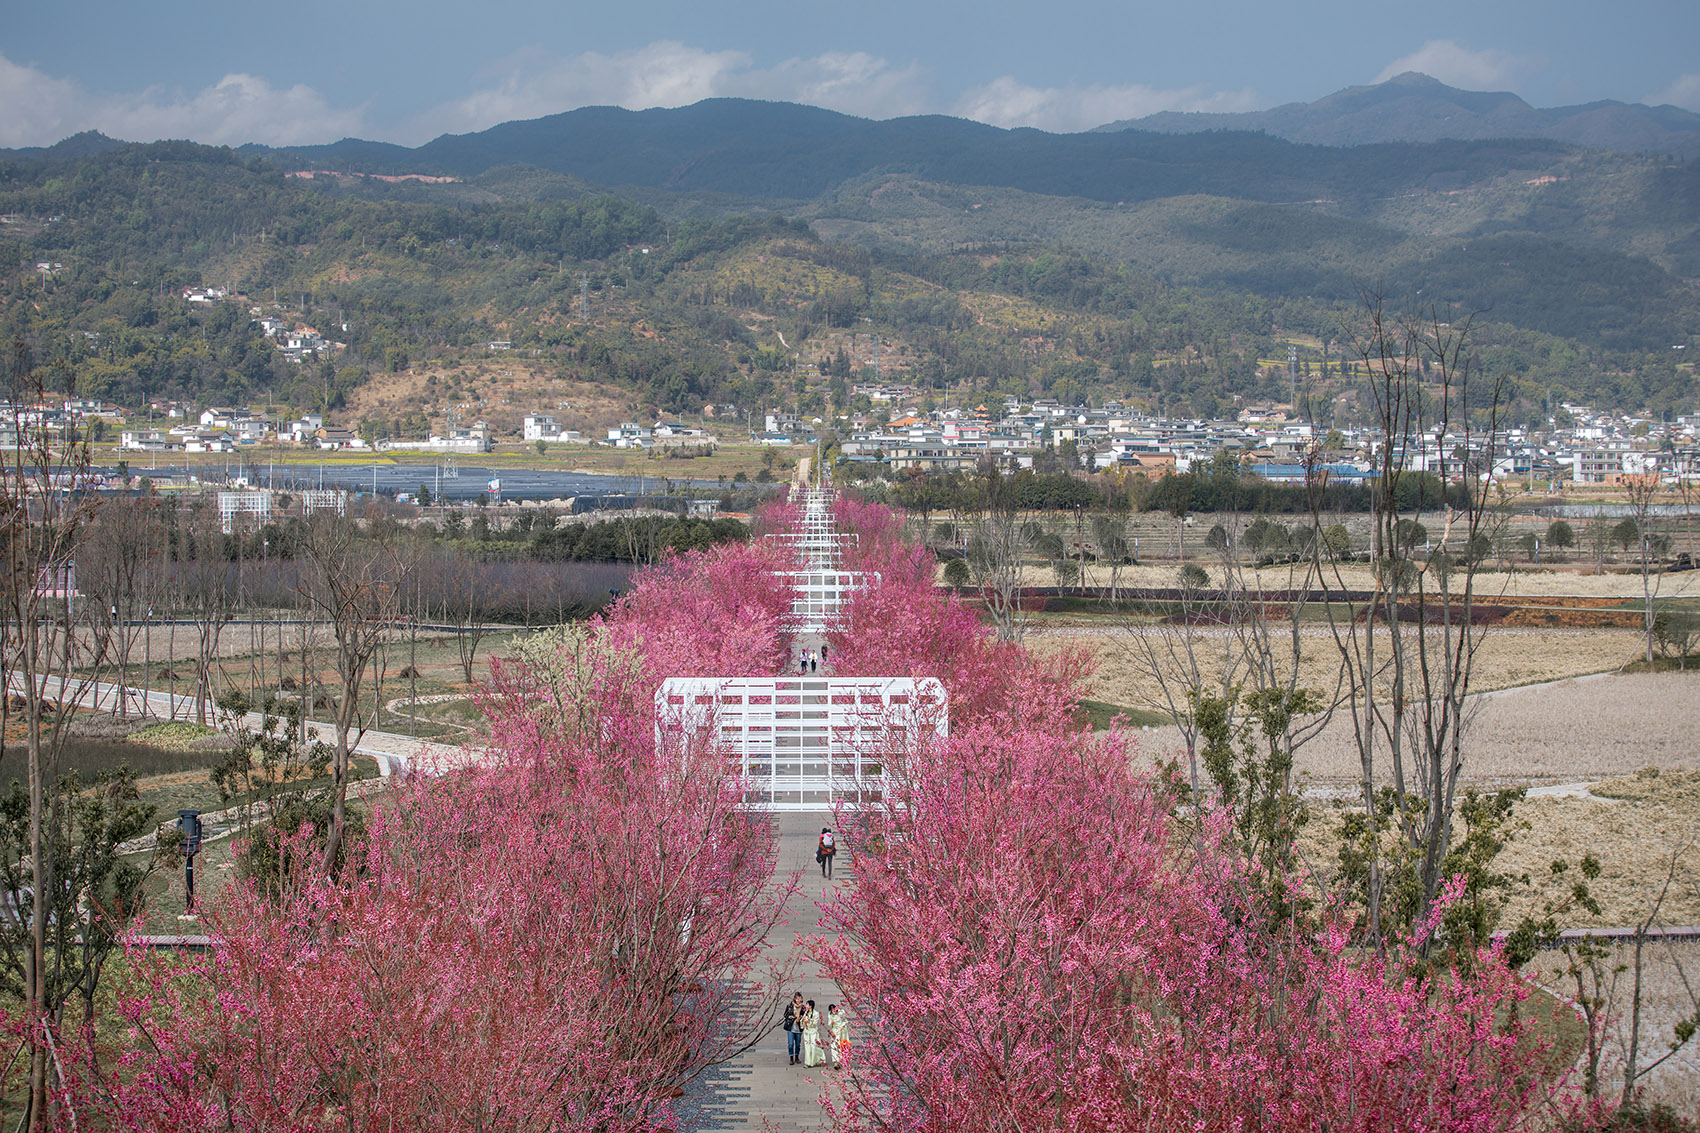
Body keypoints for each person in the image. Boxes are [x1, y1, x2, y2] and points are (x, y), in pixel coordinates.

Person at [782, 992, 805, 1065]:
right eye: (797, 999)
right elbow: (785, 1015)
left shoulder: (803, 1008)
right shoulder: (790, 1006)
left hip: (798, 1027)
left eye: (800, 999)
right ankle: (791, 1057)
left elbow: (806, 1016)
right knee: (791, 1044)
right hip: (791, 1027)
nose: (798, 1000)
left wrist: (801, 1018)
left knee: (798, 1044)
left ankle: (797, 1056)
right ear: (795, 999)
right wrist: (790, 1017)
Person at [826, 1004, 849, 1070]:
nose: (833, 1011)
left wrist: (843, 1026)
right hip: (835, 1031)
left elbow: (845, 1020)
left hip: (842, 1031)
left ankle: (843, 1060)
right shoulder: (830, 1015)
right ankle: (836, 1062)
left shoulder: (841, 1013)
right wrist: (831, 1023)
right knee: (834, 1046)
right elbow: (829, 1023)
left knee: (843, 1046)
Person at [801, 1000, 824, 1067]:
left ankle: (816, 1060)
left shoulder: (816, 1013)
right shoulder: (805, 1013)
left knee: (814, 1046)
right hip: (807, 1032)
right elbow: (802, 1022)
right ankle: (808, 1062)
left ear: (810, 1006)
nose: (806, 1006)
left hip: (813, 1032)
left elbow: (815, 1023)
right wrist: (803, 1021)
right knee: (807, 1047)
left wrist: (809, 1021)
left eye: (807, 1005)